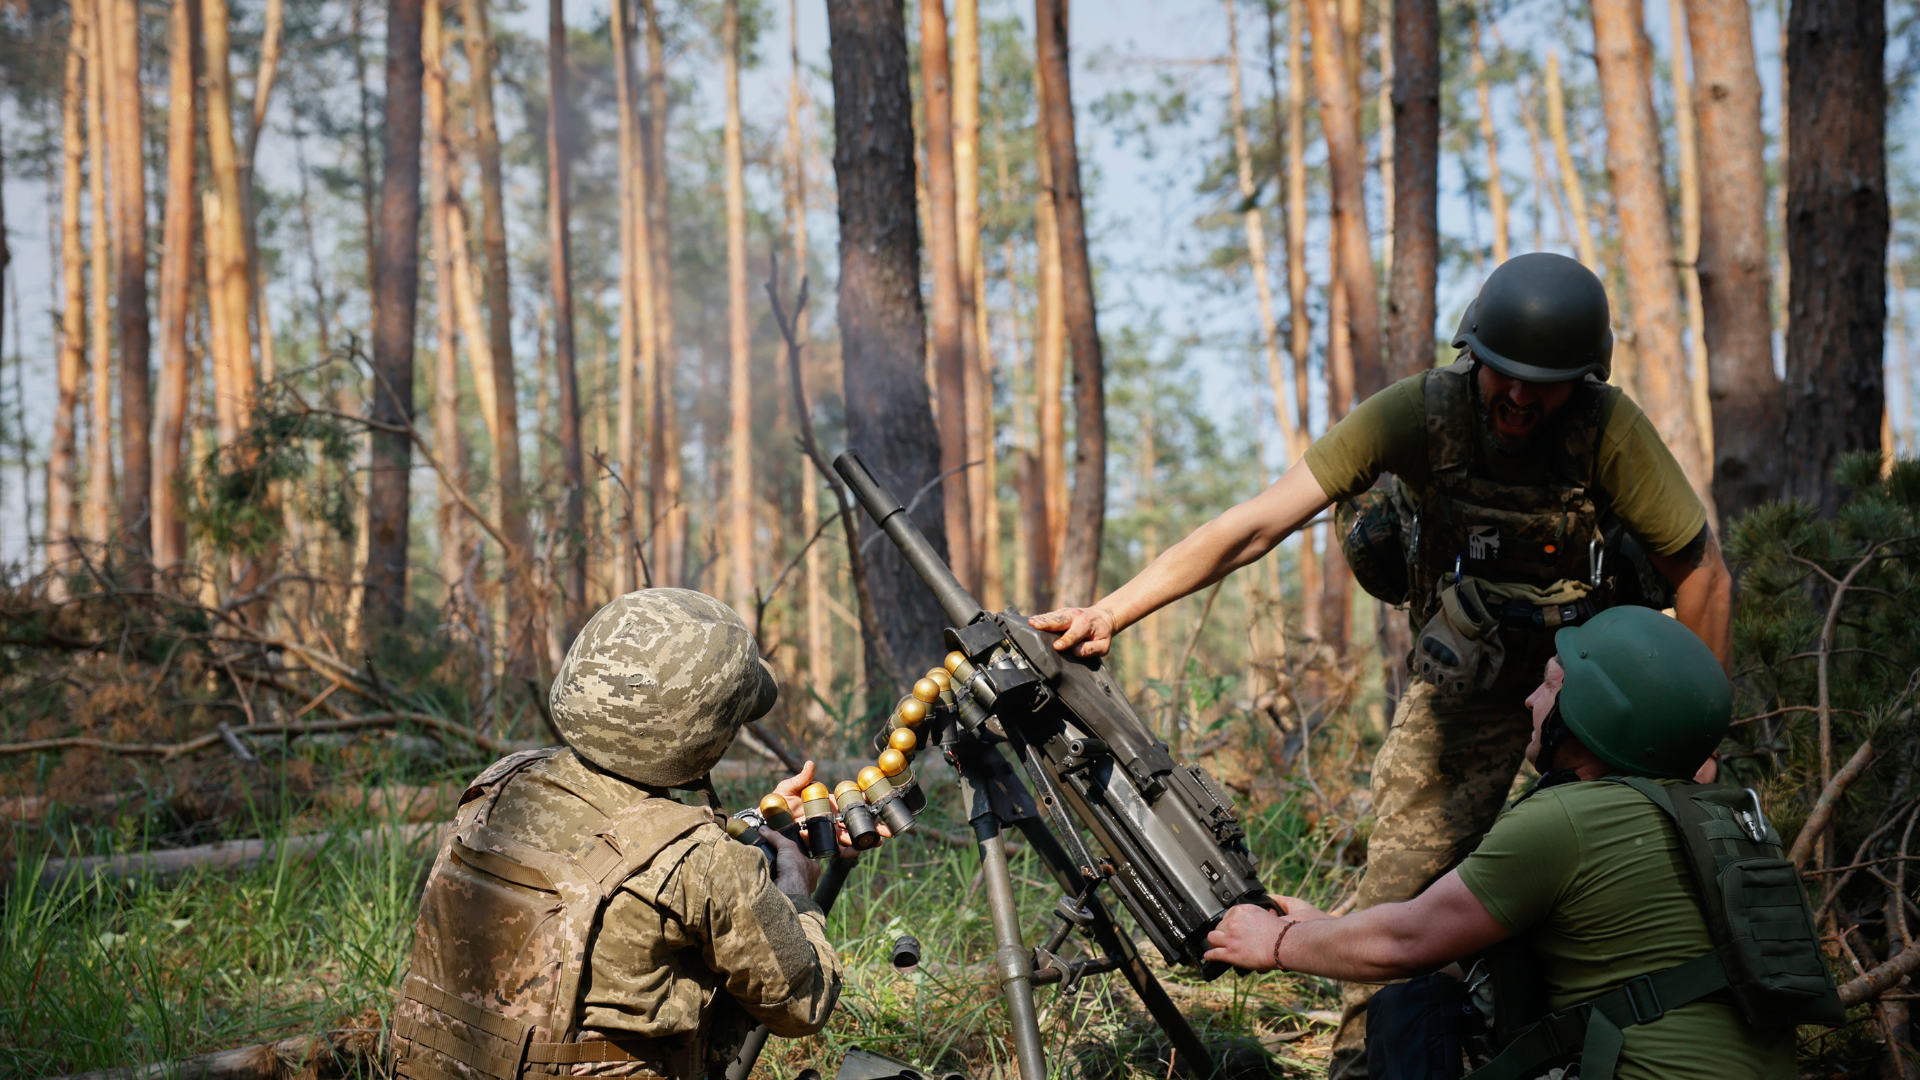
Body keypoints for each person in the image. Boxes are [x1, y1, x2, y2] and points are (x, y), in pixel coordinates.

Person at [1029, 253, 1733, 1077]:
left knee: (1621, 890)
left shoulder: (1610, 429)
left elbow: (1703, 574)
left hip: (1593, 692)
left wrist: (1689, 749)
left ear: (1583, 379)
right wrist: (1111, 610)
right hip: (1462, 692)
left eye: (1541, 384)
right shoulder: (1419, 413)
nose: (1516, 397)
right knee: (1397, 894)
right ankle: (1363, 1066)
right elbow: (1257, 523)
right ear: (1475, 355)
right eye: (1501, 373)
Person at [1201, 607, 1825, 1080]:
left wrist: (1276, 942)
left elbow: (1407, 944)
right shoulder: (1721, 815)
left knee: (1410, 1008)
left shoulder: (1568, 818)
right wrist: (1327, 929)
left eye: (1551, 686)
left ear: (1590, 717)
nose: (1530, 699)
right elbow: (1469, 949)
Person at [391, 589, 843, 1080]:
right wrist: (797, 891)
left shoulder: (499, 784)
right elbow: (803, 1003)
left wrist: (748, 828)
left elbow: (630, 844)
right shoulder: (703, 863)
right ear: (710, 735)